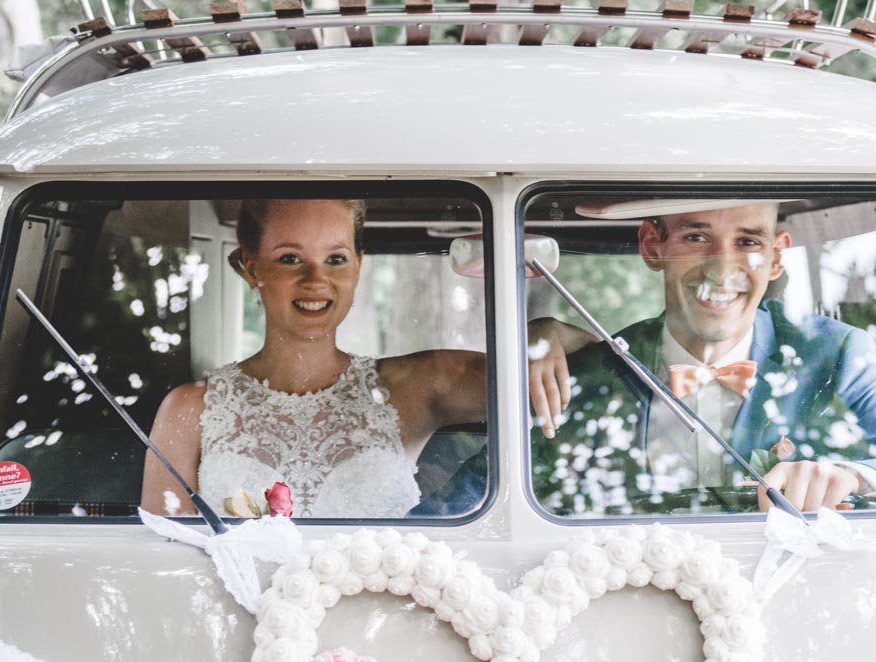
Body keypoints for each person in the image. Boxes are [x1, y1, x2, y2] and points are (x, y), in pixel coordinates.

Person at [142, 198, 571, 518]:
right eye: (290, 258)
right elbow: (160, 559)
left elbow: (606, 366)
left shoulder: (417, 384)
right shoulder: (189, 408)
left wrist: (543, 333)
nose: (316, 280)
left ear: (358, 267)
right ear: (252, 268)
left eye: (336, 259)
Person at [530, 201, 876, 515]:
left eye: (748, 241)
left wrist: (851, 475)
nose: (721, 270)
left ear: (775, 257)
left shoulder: (837, 354)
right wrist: (531, 341)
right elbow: (480, 498)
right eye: (696, 237)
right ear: (652, 245)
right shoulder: (598, 367)